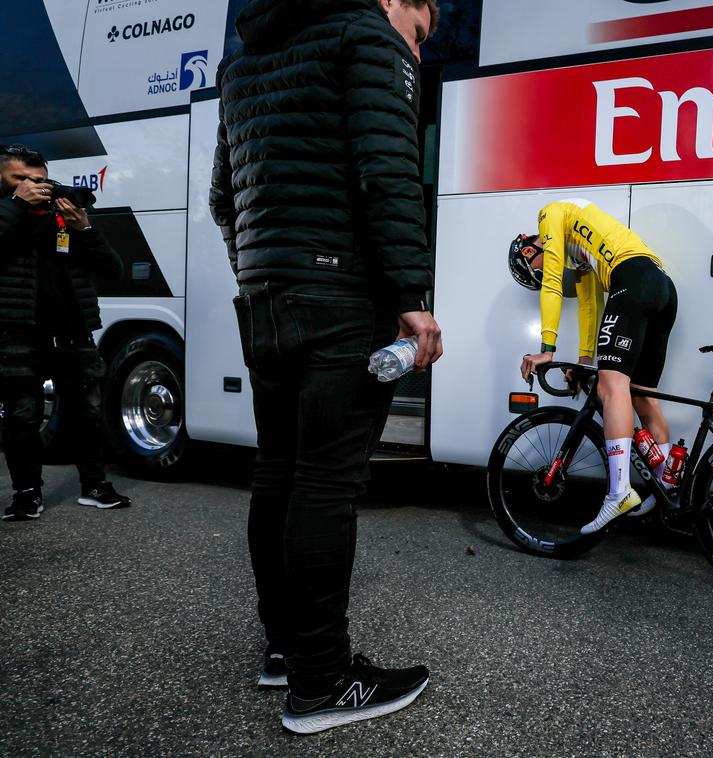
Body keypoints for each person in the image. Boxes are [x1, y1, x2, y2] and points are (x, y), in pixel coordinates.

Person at [209, 0, 443, 735]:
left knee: (278, 470)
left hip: (265, 297)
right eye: (420, 34)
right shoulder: (363, 33)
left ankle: (284, 650)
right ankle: (321, 683)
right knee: (326, 482)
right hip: (340, 295)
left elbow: (224, 197)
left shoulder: (242, 59)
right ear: (400, 3)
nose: (418, 53)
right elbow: (387, 171)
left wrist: (261, 271)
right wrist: (410, 295)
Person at [510, 199, 678, 534]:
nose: (543, 274)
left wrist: (547, 349)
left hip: (632, 278)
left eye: (536, 271)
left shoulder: (550, 215)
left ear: (529, 252)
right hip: (662, 286)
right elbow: (590, 303)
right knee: (643, 395)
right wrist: (585, 360)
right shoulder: (581, 242)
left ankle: (618, 493)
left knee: (611, 386)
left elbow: (554, 279)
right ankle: (668, 488)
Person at [0, 144, 131, 522]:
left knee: (87, 412)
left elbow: (112, 269)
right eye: (20, 179)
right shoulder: (7, 213)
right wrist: (17, 205)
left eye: (38, 180)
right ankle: (27, 494)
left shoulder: (62, 216)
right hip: (19, 331)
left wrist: (84, 228)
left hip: (73, 331)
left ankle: (94, 486)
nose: (32, 186)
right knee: (23, 416)